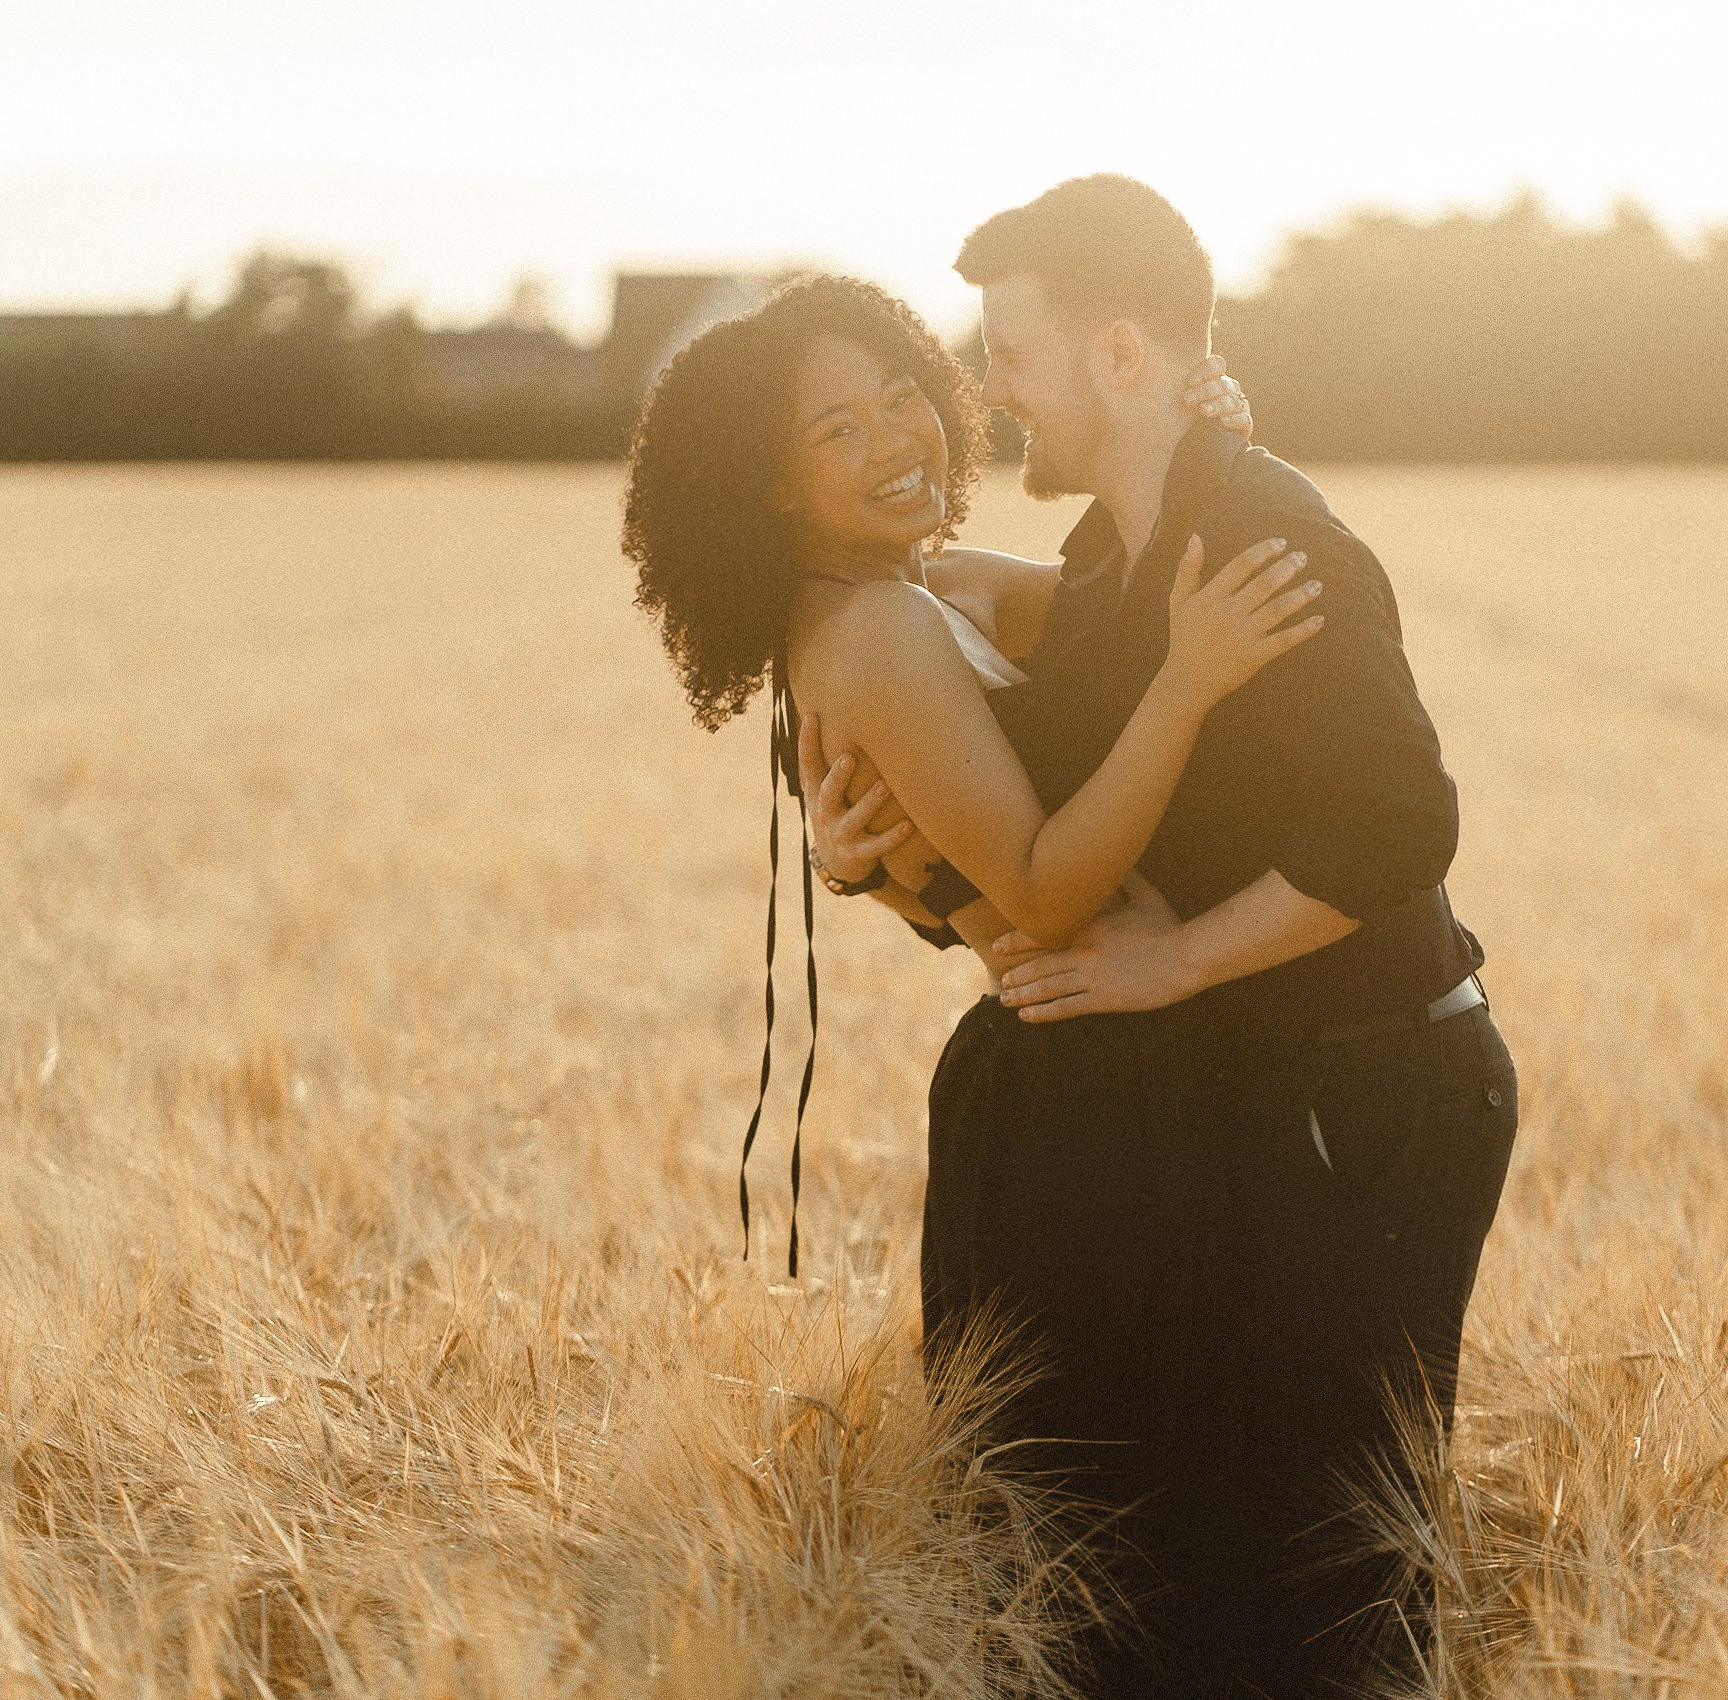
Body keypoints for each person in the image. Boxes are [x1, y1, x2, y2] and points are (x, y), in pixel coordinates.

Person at [808, 177, 1519, 1697]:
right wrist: (874, 858)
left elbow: (1400, 825)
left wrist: (1178, 962)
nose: (985, 393)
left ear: (1122, 357)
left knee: (1323, 1581)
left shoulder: (1257, 536)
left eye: (1009, 354)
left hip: (1367, 1087)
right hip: (1268, 1095)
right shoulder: (1131, 556)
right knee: (1224, 1570)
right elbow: (1028, 772)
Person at [618, 272, 1317, 1279]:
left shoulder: (941, 587)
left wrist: (1200, 441)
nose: (897, 440)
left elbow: (1159, 589)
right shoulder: (873, 631)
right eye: (839, 431)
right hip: (1086, 1103)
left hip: (1121, 1071)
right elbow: (1041, 895)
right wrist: (1183, 689)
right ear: (773, 482)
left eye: (901, 395)